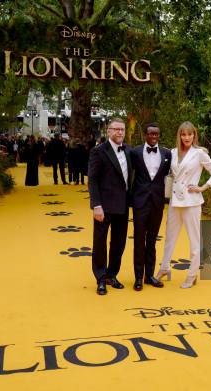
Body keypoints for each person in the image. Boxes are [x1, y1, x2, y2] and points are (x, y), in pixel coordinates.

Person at [156, 121, 211, 288]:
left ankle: (192, 274)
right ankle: (164, 268)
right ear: (179, 135)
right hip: (175, 201)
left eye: (190, 134)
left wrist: (202, 187)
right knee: (169, 238)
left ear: (194, 135)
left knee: (194, 240)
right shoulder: (172, 152)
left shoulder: (199, 154)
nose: (187, 137)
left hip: (191, 202)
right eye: (183, 134)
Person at [88, 118, 132, 295]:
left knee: (119, 243)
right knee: (100, 243)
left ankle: (112, 274)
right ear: (109, 131)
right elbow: (92, 180)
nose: (119, 132)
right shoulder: (98, 151)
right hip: (104, 206)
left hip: (123, 205)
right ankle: (101, 278)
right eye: (116, 129)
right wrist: (96, 205)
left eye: (122, 129)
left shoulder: (129, 150)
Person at [129, 123, 171, 291]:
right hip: (140, 202)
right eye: (151, 134)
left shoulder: (166, 153)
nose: (154, 137)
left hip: (157, 203)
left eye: (157, 134)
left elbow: (171, 173)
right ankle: (138, 277)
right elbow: (127, 172)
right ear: (145, 135)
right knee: (139, 240)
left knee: (152, 240)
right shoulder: (135, 152)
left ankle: (149, 276)